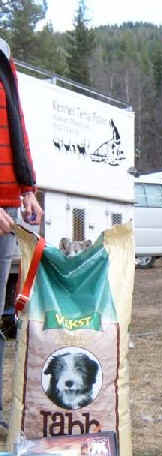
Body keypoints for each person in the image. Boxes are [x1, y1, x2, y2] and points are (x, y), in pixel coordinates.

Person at [0, 38, 43, 432]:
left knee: (1, 317)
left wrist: (27, 187)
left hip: (9, 201)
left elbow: (16, 123)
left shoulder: (4, 53)